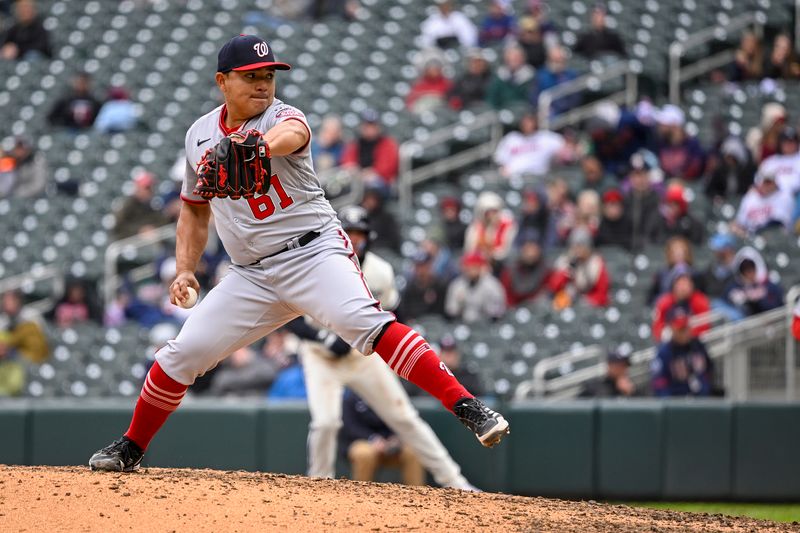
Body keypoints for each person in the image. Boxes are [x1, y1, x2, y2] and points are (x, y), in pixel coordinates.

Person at [88, 35, 509, 472]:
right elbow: (194, 212)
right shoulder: (199, 136)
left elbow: (294, 133)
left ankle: (467, 406)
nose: (263, 85)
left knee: (366, 322)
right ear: (222, 81)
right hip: (250, 274)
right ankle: (131, 447)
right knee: (180, 354)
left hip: (312, 253)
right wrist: (185, 269)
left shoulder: (282, 116)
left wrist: (258, 147)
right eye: (251, 77)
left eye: (268, 75)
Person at [291, 207, 475, 490]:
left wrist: (357, 336)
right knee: (325, 423)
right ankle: (319, 486)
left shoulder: (379, 271)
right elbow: (289, 317)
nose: (353, 241)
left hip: (362, 354)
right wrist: (328, 340)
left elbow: (393, 315)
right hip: (320, 353)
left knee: (405, 418)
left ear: (369, 238)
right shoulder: (314, 264)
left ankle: (456, 482)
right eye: (347, 234)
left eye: (359, 235)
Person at [340, 390, 425, 486]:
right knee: (364, 454)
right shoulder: (351, 394)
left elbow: (404, 420)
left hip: (392, 443)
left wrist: (396, 438)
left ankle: (417, 495)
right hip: (363, 441)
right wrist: (372, 439)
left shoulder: (391, 391)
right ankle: (360, 496)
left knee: (413, 452)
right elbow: (350, 426)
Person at [651, 308, 713, 397]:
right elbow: (659, 385)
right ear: (671, 328)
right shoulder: (664, 353)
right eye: (681, 329)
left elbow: (709, 369)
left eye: (687, 327)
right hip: (677, 404)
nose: (685, 332)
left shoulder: (698, 346)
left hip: (701, 401)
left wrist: (705, 390)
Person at [548, 226, 610, 309]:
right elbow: (553, 287)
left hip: (587, 306)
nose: (578, 250)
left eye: (581, 246)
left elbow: (602, 294)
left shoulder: (596, 263)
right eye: (575, 246)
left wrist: (584, 302)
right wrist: (567, 272)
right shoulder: (565, 260)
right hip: (564, 303)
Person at [493, 112, 566, 178]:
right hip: (514, 178)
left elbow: (565, 149)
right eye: (525, 122)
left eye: (530, 121)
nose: (527, 124)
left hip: (539, 178)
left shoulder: (545, 137)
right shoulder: (511, 138)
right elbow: (500, 160)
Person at [341, 109, 399, 189]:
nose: (370, 129)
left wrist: (371, 173)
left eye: (373, 126)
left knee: (372, 186)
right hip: (358, 179)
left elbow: (387, 168)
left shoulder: (387, 143)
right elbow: (348, 162)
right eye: (367, 125)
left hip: (381, 182)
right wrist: (355, 171)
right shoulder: (355, 143)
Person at [652, 264, 710, 343]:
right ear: (673, 285)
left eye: (686, 282)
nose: (684, 286)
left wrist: (685, 336)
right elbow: (657, 328)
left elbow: (705, 327)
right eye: (680, 282)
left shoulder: (699, 300)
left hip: (694, 343)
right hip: (671, 345)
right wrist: (668, 334)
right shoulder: (664, 302)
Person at [722, 247, 784, 319]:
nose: (749, 272)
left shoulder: (769, 286)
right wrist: (742, 298)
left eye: (751, 268)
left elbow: (777, 307)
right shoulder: (734, 287)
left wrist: (760, 298)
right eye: (744, 269)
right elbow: (725, 302)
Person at [445, 251, 506, 323]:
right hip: (462, 324)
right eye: (468, 266)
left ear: (481, 267)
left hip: (486, 326)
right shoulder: (457, 285)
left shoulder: (492, 285)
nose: (471, 269)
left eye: (474, 266)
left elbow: (497, 313)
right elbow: (451, 311)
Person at [732, 168, 795, 236]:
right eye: (764, 182)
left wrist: (752, 233)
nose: (767, 185)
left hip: (774, 236)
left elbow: (778, 223)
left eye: (769, 182)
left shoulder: (784, 196)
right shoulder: (750, 197)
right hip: (750, 237)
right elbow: (740, 222)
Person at [112, 170, 170, 240]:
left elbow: (162, 222)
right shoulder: (128, 206)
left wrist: (154, 228)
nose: (150, 190)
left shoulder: (154, 204)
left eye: (151, 187)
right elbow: (118, 229)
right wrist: (139, 231)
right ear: (138, 188)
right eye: (147, 187)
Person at [463, 191, 518, 265]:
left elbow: (507, 250)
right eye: (488, 212)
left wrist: (493, 255)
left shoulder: (508, 226)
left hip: (501, 263)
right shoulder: (475, 228)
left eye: (494, 212)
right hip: (479, 263)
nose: (491, 215)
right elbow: (470, 249)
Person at [499, 228, 551, 306]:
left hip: (537, 310)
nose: (530, 253)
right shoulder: (511, 269)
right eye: (527, 247)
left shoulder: (547, 270)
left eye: (533, 248)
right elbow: (507, 296)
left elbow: (546, 293)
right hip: (513, 310)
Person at [654, 105, 706, 181]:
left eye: (663, 124)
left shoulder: (692, 144)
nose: (660, 127)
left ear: (674, 126)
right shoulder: (661, 143)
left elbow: (696, 170)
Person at [624, 151, 662, 250]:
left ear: (649, 176)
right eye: (635, 175)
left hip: (653, 249)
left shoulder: (658, 199)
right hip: (628, 249)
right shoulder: (625, 200)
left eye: (642, 174)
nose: (639, 180)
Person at [0, 290, 48, 364]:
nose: (7, 305)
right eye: (5, 302)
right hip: (12, 359)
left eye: (10, 301)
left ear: (18, 300)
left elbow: (40, 338)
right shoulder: (2, 321)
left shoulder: (31, 315)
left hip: (32, 356)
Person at [532, 45, 580, 118]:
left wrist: (564, 106)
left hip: (568, 110)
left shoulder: (571, 75)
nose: (557, 64)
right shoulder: (541, 75)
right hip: (548, 111)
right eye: (554, 60)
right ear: (548, 60)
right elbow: (534, 96)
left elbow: (576, 97)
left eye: (560, 61)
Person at [399, 251, 449, 320]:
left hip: (434, 323)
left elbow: (443, 312)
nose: (420, 270)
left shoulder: (440, 285)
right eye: (417, 266)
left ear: (430, 266)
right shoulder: (410, 285)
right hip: (414, 323)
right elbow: (405, 310)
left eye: (423, 266)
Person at [704, 136, 756, 200]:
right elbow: (709, 190)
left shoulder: (746, 171)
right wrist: (716, 196)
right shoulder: (720, 171)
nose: (730, 161)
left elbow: (750, 186)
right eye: (728, 158)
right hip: (723, 203)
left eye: (732, 158)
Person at [486, 43, 536, 110]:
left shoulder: (531, 77)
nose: (514, 60)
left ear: (523, 59)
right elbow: (492, 99)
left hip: (523, 112)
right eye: (511, 58)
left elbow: (532, 99)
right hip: (501, 112)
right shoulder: (499, 77)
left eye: (517, 57)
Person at [756, 126, 800, 197]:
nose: (789, 145)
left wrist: (779, 186)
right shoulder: (770, 162)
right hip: (771, 198)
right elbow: (759, 180)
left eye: (792, 141)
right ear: (780, 144)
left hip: (795, 197)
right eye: (786, 142)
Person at [359, 184, 401, 253]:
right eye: (367, 199)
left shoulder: (387, 218)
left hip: (382, 252)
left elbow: (394, 240)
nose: (370, 203)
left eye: (373, 200)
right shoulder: (358, 216)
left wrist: (374, 247)